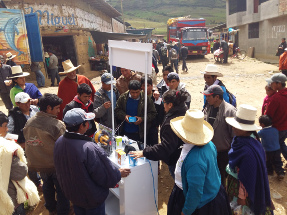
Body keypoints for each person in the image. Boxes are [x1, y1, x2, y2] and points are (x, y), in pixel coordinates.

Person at [54, 108, 130, 215]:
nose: (89, 125)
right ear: (82, 126)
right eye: (87, 122)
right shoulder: (88, 148)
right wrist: (118, 173)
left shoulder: (59, 141)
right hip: (91, 197)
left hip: (73, 194)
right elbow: (103, 175)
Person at [167, 109, 231, 215]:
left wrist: (186, 211)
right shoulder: (209, 144)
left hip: (200, 203)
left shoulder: (195, 161)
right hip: (212, 192)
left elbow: (195, 191)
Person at [23, 93, 70, 215]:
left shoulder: (29, 122)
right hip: (56, 166)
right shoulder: (56, 125)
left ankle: (50, 208)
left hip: (39, 165)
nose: (59, 110)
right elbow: (66, 146)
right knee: (61, 190)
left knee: (47, 187)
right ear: (49, 108)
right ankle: (63, 211)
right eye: (57, 108)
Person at [226, 104, 274, 215]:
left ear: (245, 129)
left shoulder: (247, 152)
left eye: (236, 126)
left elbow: (246, 176)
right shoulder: (243, 140)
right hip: (237, 183)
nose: (233, 128)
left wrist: (241, 197)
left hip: (242, 190)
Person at [130, 90, 188, 179]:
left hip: (176, 159)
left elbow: (165, 148)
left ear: (170, 105)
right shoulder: (184, 113)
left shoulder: (171, 123)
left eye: (164, 102)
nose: (163, 104)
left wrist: (144, 152)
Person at [0, 111, 40, 215]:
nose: (7, 129)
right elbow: (20, 173)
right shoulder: (7, 149)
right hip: (9, 198)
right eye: (5, 126)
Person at [7, 92, 42, 191]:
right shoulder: (13, 117)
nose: (28, 105)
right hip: (26, 145)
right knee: (30, 164)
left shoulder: (35, 109)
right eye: (24, 103)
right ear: (18, 104)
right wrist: (20, 145)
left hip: (39, 141)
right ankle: (37, 182)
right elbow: (7, 134)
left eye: (29, 102)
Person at [203, 85, 236, 187]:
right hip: (209, 150)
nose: (206, 98)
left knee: (221, 179)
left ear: (217, 97)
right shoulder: (208, 107)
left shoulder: (230, 111)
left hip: (222, 154)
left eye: (209, 96)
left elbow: (235, 135)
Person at [265, 73, 287, 161]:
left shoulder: (276, 98)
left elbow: (269, 114)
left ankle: (277, 168)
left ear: (279, 84)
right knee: (281, 143)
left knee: (274, 148)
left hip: (276, 128)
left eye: (272, 83)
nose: (270, 84)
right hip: (285, 127)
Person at [258, 115, 285, 180]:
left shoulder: (261, 132)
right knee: (277, 161)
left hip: (267, 150)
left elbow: (256, 136)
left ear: (262, 124)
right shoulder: (275, 130)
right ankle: (280, 172)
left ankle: (270, 172)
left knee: (268, 162)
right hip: (277, 149)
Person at [141, 76, 164, 146]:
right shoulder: (139, 96)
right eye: (143, 85)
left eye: (148, 85)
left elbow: (160, 112)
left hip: (153, 127)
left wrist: (157, 124)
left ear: (151, 86)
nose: (146, 88)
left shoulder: (156, 97)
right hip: (142, 126)